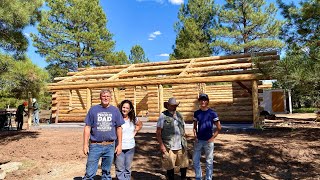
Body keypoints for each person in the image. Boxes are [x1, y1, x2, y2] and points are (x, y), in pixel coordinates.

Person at [83, 89, 125, 180]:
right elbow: (87, 127)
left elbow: (119, 128)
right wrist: (85, 144)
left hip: (110, 146)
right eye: (103, 96)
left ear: (110, 98)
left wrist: (120, 144)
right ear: (100, 97)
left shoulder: (115, 110)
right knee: (89, 172)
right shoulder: (93, 110)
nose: (105, 98)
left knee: (106, 172)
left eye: (107, 96)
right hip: (95, 145)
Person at [156, 97, 189, 180]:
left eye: (175, 105)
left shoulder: (179, 115)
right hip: (168, 145)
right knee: (169, 165)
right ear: (168, 106)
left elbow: (183, 129)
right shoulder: (163, 116)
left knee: (184, 164)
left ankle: (183, 178)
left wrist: (185, 141)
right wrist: (161, 145)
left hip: (181, 144)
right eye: (171, 105)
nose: (173, 107)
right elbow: (158, 132)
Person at [193, 93, 222, 180]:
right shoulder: (196, 113)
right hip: (199, 141)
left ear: (208, 101)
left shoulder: (212, 113)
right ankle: (198, 177)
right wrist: (195, 136)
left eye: (205, 100)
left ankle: (208, 178)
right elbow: (194, 127)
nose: (203, 101)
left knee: (209, 161)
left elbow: (219, 127)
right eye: (201, 100)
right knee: (195, 160)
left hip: (208, 141)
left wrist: (212, 138)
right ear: (199, 101)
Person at [115, 100, 143, 180]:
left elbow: (140, 124)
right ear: (121, 108)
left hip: (130, 147)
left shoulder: (133, 118)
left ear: (130, 109)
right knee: (120, 168)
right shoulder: (117, 118)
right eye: (123, 107)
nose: (125, 109)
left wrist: (136, 131)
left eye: (127, 108)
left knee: (128, 168)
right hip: (119, 147)